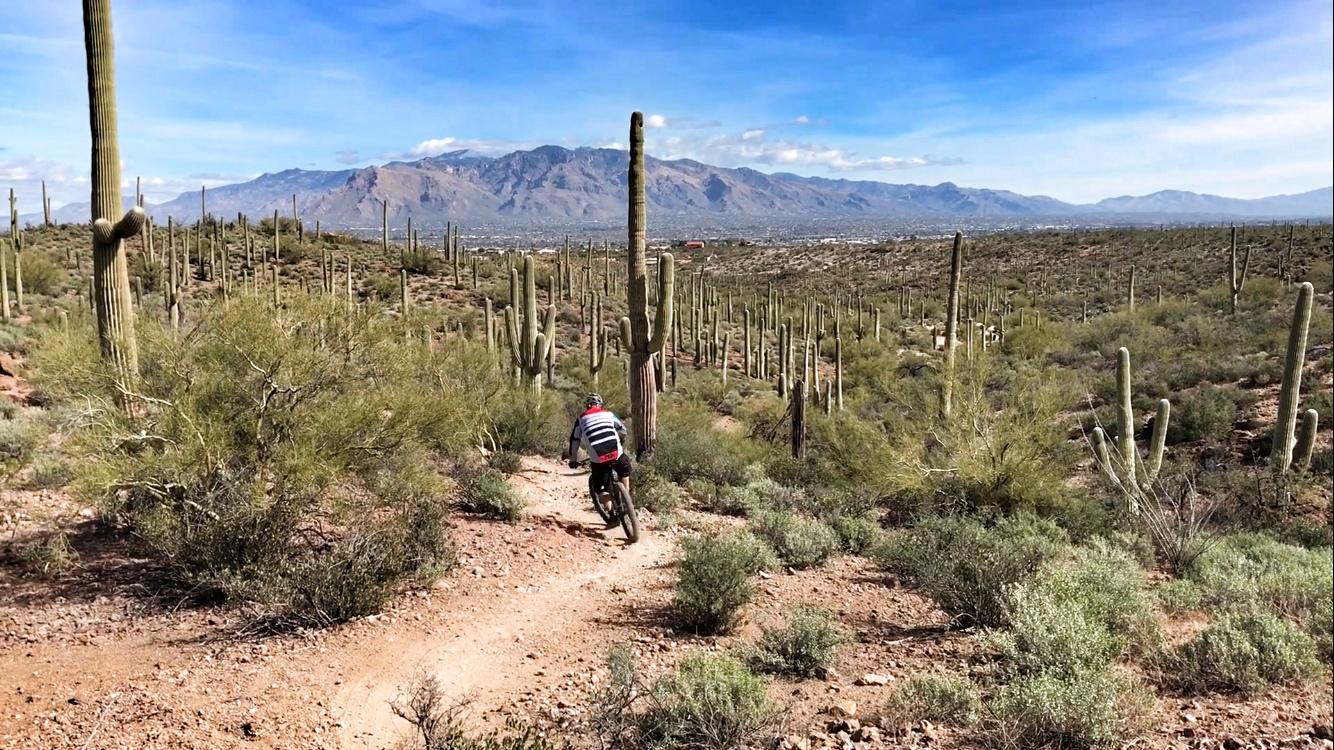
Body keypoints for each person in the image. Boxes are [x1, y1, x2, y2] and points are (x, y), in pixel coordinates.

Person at [567, 393, 632, 498]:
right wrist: (620, 441)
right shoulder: (609, 414)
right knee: (624, 473)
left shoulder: (581, 419)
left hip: (598, 458)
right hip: (616, 452)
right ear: (600, 405)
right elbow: (623, 430)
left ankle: (611, 511)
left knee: (603, 490)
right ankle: (626, 499)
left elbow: (575, 440)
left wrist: (573, 460)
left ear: (587, 405)